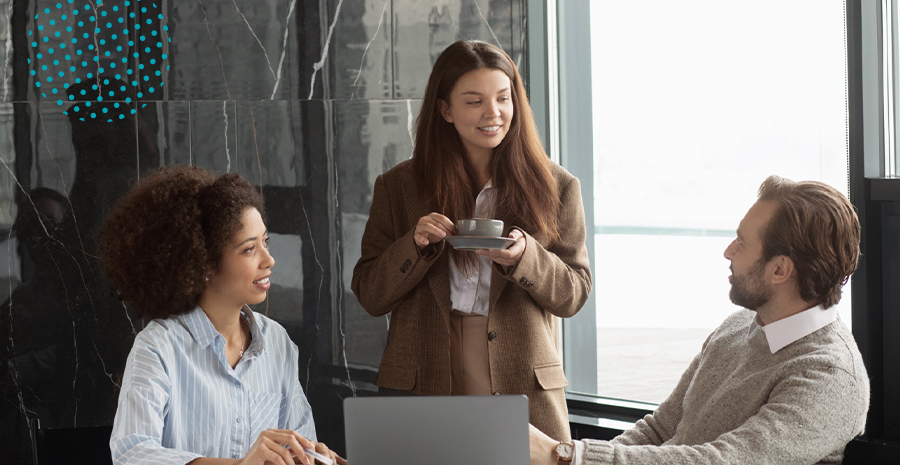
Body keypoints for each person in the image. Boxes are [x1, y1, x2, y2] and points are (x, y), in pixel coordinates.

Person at [530, 175, 870, 465]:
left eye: (742, 242)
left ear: (780, 269)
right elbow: (660, 429)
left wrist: (565, 455)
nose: (728, 251)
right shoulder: (737, 327)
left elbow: (722, 460)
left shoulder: (830, 377)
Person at [351, 39, 592, 442]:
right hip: (425, 368)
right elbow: (371, 295)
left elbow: (575, 294)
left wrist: (525, 258)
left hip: (520, 373)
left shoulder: (556, 186)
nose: (493, 113)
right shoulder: (398, 187)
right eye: (474, 101)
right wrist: (414, 246)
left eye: (503, 98)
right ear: (445, 110)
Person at [100, 166, 345, 465]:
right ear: (203, 264)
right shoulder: (158, 347)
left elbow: (298, 440)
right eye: (249, 249)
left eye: (265, 242)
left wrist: (311, 457)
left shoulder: (277, 343)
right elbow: (132, 454)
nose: (269, 260)